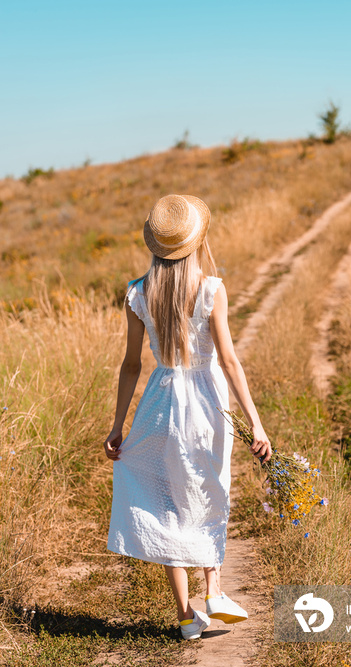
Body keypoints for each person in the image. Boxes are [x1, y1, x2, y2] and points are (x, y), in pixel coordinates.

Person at [104, 194, 272, 640]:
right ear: (196, 241)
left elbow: (131, 365)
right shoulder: (211, 290)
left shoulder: (138, 293)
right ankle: (214, 590)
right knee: (209, 490)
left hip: (161, 400)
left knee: (165, 503)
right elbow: (231, 361)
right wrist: (256, 423)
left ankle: (185, 617)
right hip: (207, 401)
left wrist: (118, 426)